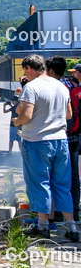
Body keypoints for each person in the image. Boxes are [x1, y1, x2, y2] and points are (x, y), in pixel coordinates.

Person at [12, 55, 76, 241]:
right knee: (62, 185)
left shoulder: (31, 87)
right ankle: (71, 227)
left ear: (30, 68)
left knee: (40, 182)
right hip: (61, 141)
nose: (25, 73)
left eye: (25, 70)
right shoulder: (61, 86)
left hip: (38, 141)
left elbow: (27, 116)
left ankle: (43, 226)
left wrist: (17, 122)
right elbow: (69, 114)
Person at [49, 57, 80, 222]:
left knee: (55, 175)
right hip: (75, 134)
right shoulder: (74, 85)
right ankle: (74, 212)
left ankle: (56, 213)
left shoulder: (54, 86)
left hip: (58, 135)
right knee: (73, 175)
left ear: (51, 71)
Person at [4, 79, 27, 154]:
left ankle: (10, 151)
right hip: (19, 125)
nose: (12, 102)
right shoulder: (19, 106)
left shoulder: (15, 107)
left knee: (11, 139)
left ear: (16, 101)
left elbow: (5, 111)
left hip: (13, 125)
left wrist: (4, 105)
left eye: (13, 101)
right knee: (19, 140)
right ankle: (21, 152)